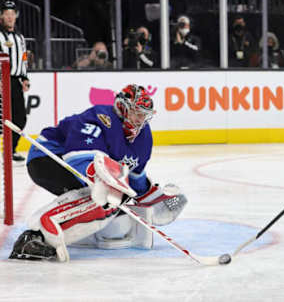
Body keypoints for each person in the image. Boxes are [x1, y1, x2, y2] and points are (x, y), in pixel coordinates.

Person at [9, 84, 188, 261]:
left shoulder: (144, 138)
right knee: (106, 196)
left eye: (144, 115)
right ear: (122, 108)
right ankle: (33, 236)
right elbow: (77, 158)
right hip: (47, 158)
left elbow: (135, 181)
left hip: (84, 169)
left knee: (112, 201)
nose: (141, 120)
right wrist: (104, 181)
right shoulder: (100, 118)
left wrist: (157, 198)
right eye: (137, 113)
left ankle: (51, 235)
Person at [0, 0, 30, 164]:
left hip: (15, 81)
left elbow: (24, 58)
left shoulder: (20, 38)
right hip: (2, 81)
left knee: (20, 118)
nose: (10, 17)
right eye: (7, 14)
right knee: (3, 118)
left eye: (12, 14)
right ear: (2, 16)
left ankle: (10, 150)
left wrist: (25, 78)